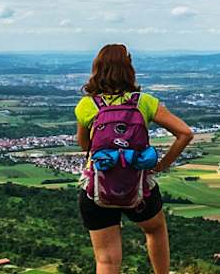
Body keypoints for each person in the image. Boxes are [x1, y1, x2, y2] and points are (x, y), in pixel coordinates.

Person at [75, 44, 194, 274]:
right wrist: (162, 165)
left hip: (97, 188)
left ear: (97, 69)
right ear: (129, 69)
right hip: (139, 188)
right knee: (155, 230)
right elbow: (185, 133)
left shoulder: (87, 105)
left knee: (107, 261)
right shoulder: (144, 102)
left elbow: (85, 146)